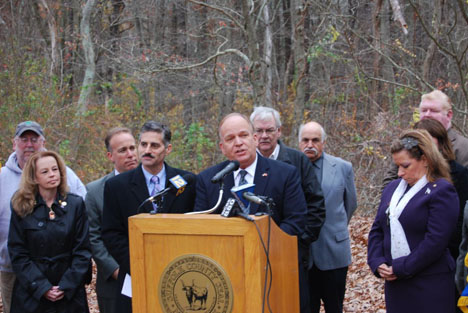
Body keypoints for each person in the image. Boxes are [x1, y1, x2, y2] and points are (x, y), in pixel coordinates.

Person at [102, 121, 196, 313]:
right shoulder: (117, 186)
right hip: (135, 274)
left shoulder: (187, 182)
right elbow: (111, 233)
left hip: (177, 273)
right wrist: (139, 262)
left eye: (154, 145)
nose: (147, 150)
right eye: (143, 144)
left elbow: (194, 228)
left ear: (167, 149)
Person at [368, 129, 459, 313]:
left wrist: (401, 267)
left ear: (425, 160)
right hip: (396, 286)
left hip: (430, 284)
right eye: (397, 166)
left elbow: (435, 241)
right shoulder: (392, 188)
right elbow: (378, 228)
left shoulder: (441, 190)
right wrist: (377, 262)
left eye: (406, 166)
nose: (400, 172)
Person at [0, 121, 86, 313]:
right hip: (21, 276)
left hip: (67, 286)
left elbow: (82, 247)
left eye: (34, 139)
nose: (29, 144)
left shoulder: (74, 200)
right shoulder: (14, 196)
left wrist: (67, 284)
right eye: (24, 140)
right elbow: (17, 249)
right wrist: (41, 286)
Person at [250, 107, 325, 313]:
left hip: (291, 252)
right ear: (253, 134)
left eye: (270, 130)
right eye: (259, 131)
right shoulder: (243, 163)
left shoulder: (297, 160)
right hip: (252, 252)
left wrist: (298, 242)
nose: (264, 136)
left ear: (279, 132)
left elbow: (316, 205)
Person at [195, 112, 307, 236]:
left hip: (272, 251)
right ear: (222, 148)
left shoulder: (285, 174)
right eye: (230, 138)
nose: (238, 143)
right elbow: (201, 226)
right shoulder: (208, 179)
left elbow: (296, 221)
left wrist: (261, 245)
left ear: (254, 139)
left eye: (243, 135)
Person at [298, 121, 357, 313]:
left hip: (334, 251)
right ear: (299, 142)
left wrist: (333, 226)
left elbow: (350, 204)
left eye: (315, 140)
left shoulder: (342, 167)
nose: (310, 144)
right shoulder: (289, 168)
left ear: (324, 142)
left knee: (334, 307)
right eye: (305, 140)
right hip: (302, 255)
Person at [85, 127, 138, 313]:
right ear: (110, 156)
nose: (130, 154)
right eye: (123, 150)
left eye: (133, 148)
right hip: (113, 281)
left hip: (153, 275)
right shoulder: (94, 191)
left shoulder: (154, 185)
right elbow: (94, 238)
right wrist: (118, 272)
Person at [383, 90, 468, 187]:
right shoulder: (408, 142)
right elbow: (389, 180)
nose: (427, 114)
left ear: (449, 115)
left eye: (433, 110)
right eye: (424, 110)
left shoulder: (464, 147)